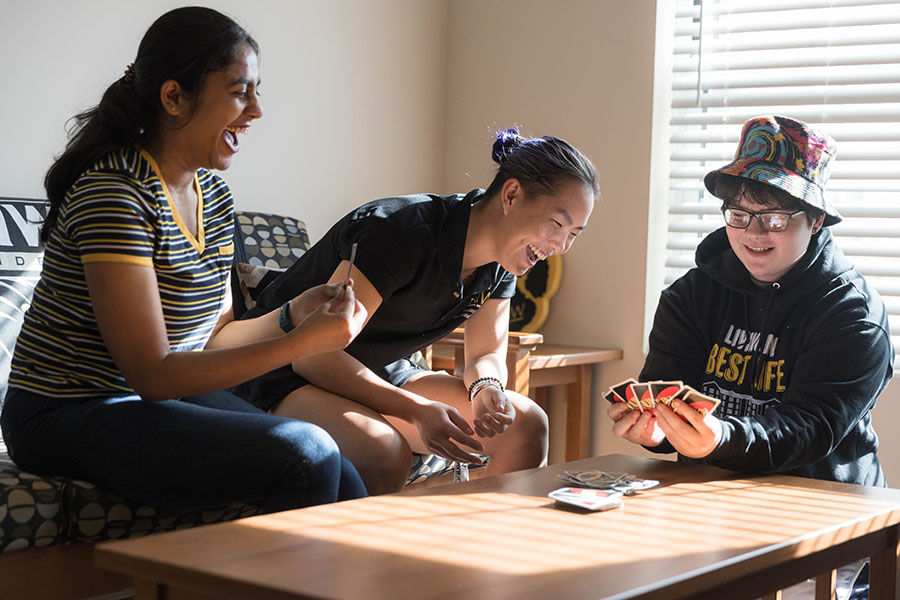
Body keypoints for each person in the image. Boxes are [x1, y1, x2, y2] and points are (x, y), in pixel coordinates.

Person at [0, 7, 369, 513]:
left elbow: (214, 336)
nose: (256, 110)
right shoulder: (116, 194)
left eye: (257, 91)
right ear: (174, 97)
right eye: (241, 91)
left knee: (342, 471)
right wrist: (299, 345)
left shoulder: (212, 195)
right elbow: (152, 374)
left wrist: (291, 316)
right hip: (65, 408)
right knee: (307, 454)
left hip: (146, 397)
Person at [609, 115, 893, 599]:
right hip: (708, 506)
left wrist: (719, 437)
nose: (753, 233)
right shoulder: (689, 297)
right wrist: (654, 432)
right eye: (739, 214)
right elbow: (662, 389)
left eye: (775, 218)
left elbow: (812, 428)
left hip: (823, 518)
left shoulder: (854, 314)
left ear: (816, 218)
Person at [237, 128, 599, 494]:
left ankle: (483, 546)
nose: (559, 246)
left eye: (574, 233)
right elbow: (314, 356)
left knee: (526, 425)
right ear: (511, 194)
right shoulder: (400, 232)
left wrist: (486, 387)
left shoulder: (503, 261)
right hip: (284, 369)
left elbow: (486, 352)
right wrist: (415, 410)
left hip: (379, 369)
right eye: (557, 224)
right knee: (384, 450)